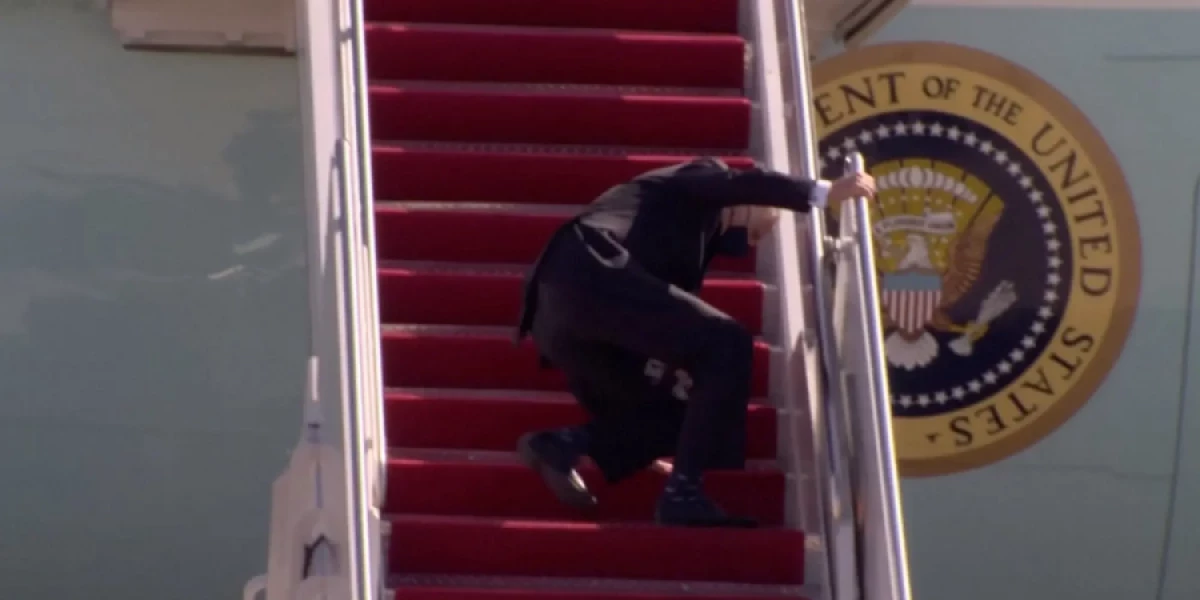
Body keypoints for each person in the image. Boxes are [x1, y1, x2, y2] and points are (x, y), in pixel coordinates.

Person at [513, 157, 876, 528]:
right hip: (591, 270)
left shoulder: (682, 238)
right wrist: (825, 191)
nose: (754, 241)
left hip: (560, 313)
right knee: (729, 342)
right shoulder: (700, 174)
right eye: (762, 227)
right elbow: (741, 182)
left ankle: (562, 444)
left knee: (681, 413)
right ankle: (683, 493)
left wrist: (633, 443)